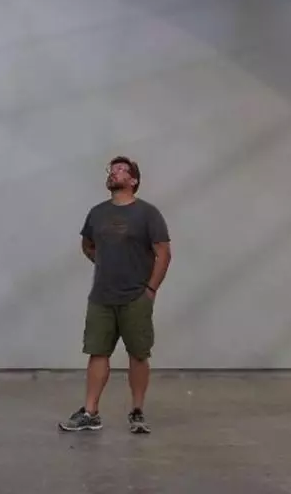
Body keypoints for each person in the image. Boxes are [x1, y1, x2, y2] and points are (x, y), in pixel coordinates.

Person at [58, 155, 171, 435]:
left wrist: (150, 289)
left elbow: (164, 254)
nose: (115, 172)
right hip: (101, 297)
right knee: (97, 352)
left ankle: (137, 411)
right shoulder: (97, 213)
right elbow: (87, 245)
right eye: (113, 169)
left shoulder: (147, 213)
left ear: (133, 180)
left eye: (122, 170)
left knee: (138, 354)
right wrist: (104, 263)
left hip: (136, 296)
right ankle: (90, 412)